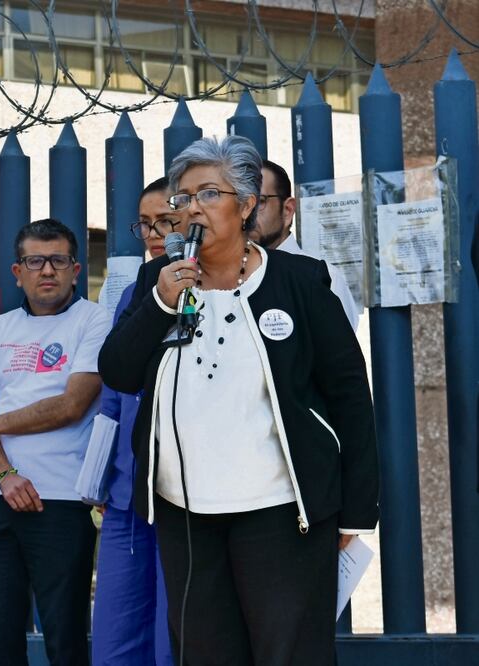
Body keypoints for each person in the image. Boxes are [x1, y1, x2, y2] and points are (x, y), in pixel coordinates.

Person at [98, 135, 379, 666]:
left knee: (289, 653)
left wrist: (357, 512)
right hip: (186, 512)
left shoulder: (299, 281)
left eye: (208, 194)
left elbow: (349, 396)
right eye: (183, 197)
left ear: (247, 205)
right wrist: (161, 303)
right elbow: (118, 371)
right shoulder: (155, 280)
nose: (191, 209)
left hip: (281, 511)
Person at [0, 218, 112, 666]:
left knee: (65, 640)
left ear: (76, 270)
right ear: (17, 272)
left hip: (60, 500)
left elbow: (71, 405)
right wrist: (6, 475)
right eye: (35, 261)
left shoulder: (95, 320)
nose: (47, 270)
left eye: (58, 260)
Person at [92, 177, 175, 666]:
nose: (153, 234)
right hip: (125, 494)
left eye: (164, 221)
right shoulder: (132, 293)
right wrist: (100, 477)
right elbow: (111, 396)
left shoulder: (210, 288)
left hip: (179, 495)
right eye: (144, 224)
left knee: (171, 634)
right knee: (114, 636)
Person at [250, 159, 360, 329]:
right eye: (239, 202)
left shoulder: (323, 278)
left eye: (259, 201)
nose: (247, 212)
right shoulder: (224, 278)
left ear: (287, 210)